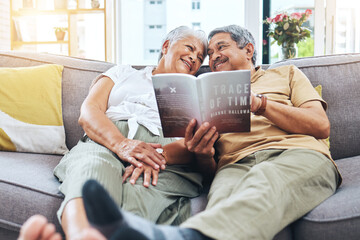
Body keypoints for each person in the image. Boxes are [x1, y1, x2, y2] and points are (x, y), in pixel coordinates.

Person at [56, 24, 339, 240]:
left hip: (290, 153)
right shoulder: (133, 75)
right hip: (228, 165)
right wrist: (128, 146)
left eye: (217, 50)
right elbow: (90, 111)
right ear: (166, 45)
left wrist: (258, 103)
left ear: (249, 50)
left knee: (265, 180)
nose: (209, 58)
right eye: (205, 52)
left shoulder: (285, 74)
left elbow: (320, 125)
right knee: (95, 167)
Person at [52, 26, 218, 240]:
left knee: (139, 192)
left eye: (200, 57)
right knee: (91, 170)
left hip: (165, 157)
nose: (194, 58)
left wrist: (158, 156)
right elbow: (89, 112)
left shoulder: (196, 93)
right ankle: (81, 235)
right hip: (106, 141)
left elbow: (196, 144)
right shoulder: (123, 73)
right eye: (190, 48)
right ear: (166, 46)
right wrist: (122, 144)